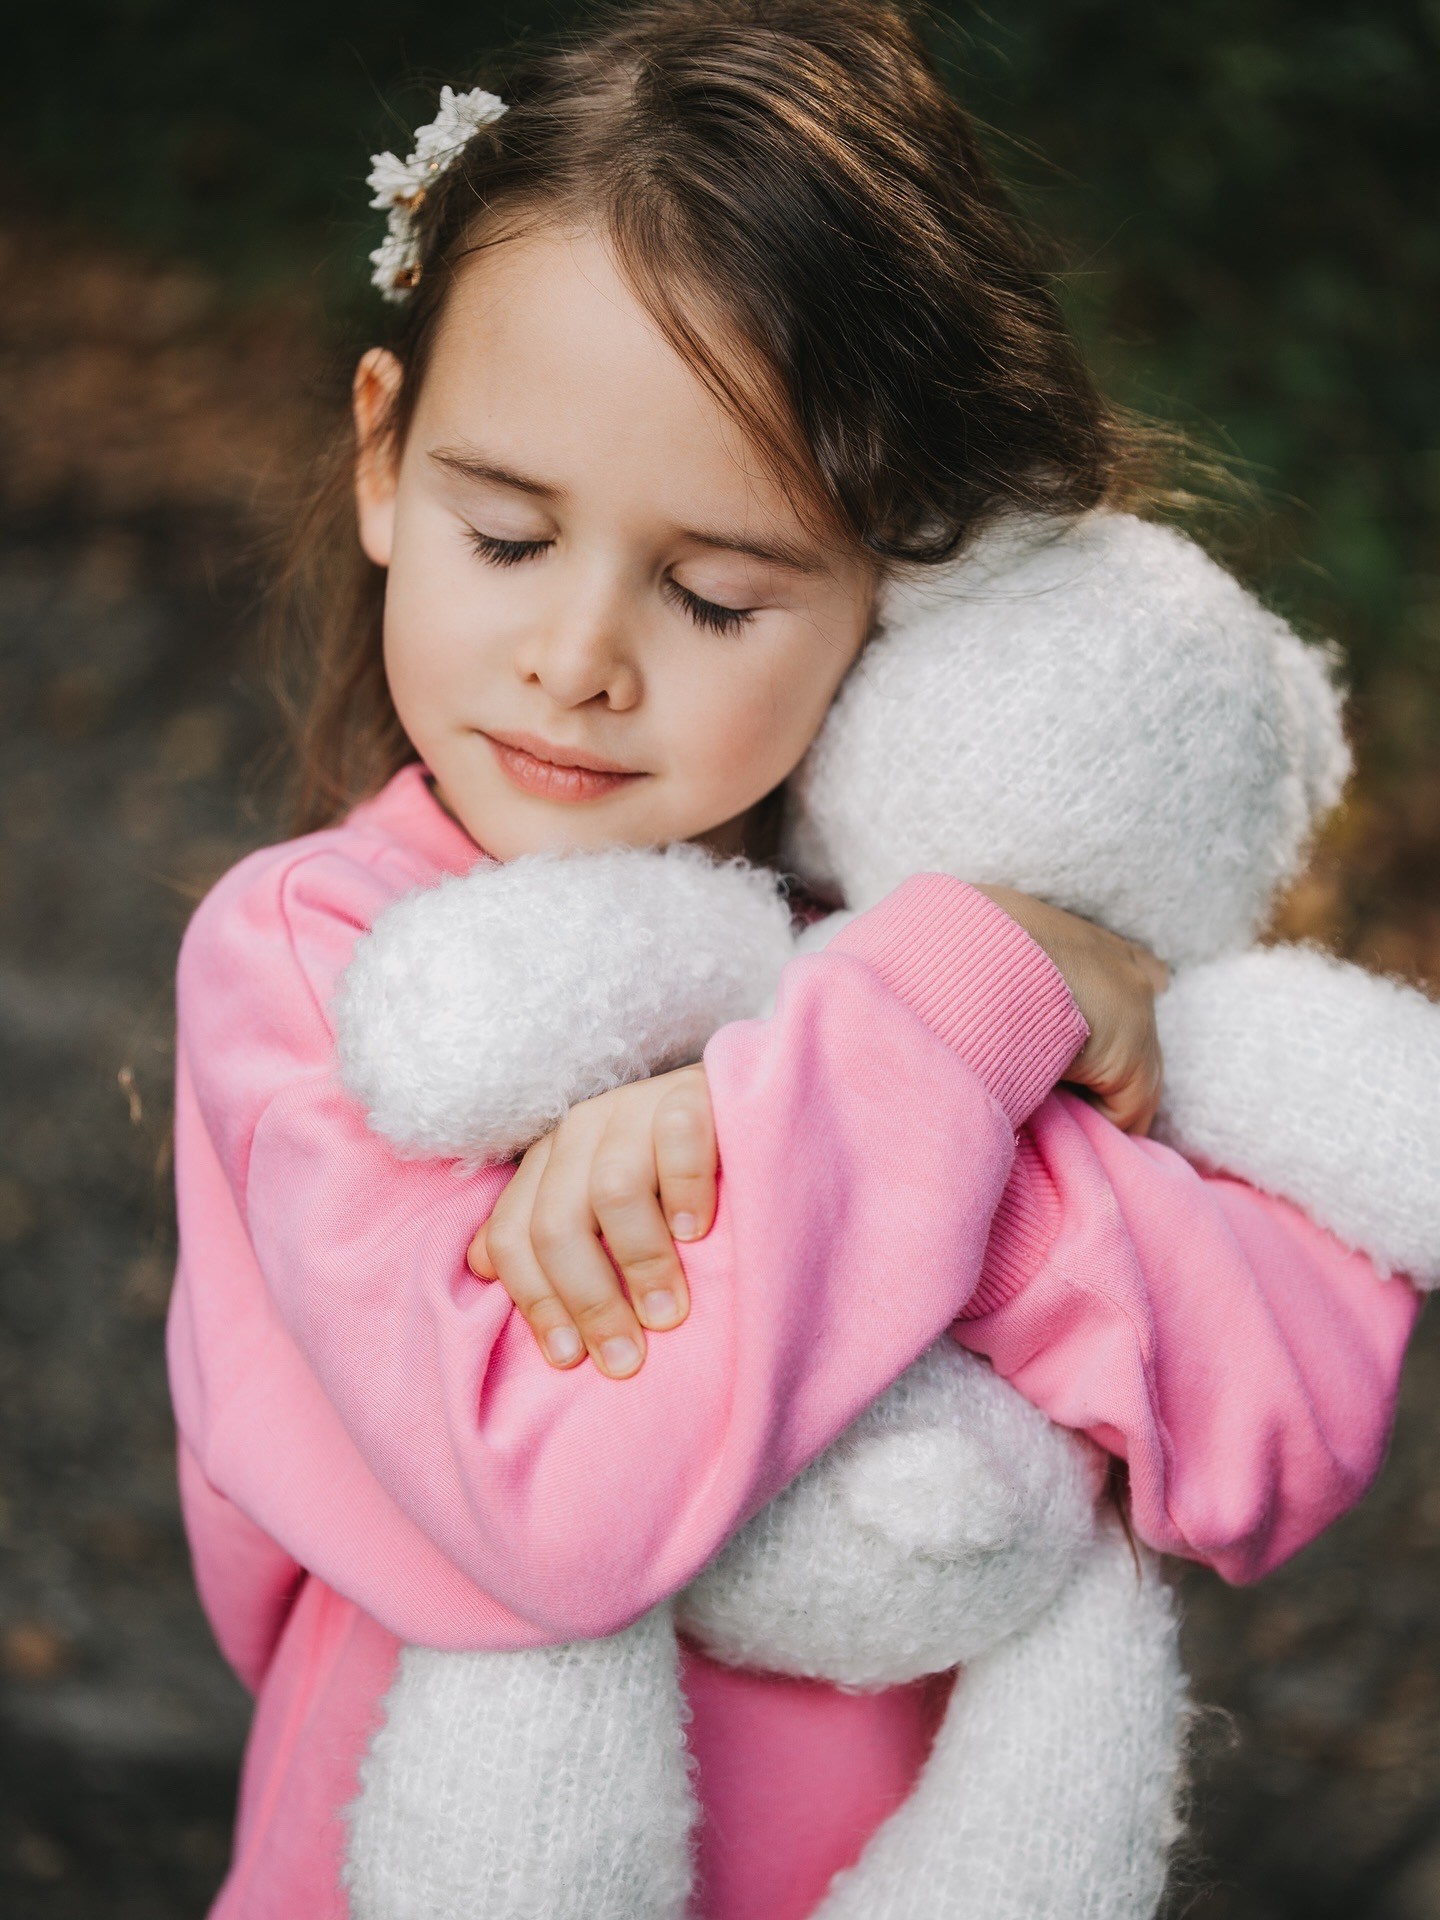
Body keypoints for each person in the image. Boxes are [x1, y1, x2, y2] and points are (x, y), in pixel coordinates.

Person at [167, 5, 1419, 1916]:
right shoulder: (320, 968)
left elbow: (1272, 1436)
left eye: (712, 592)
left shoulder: (983, 952)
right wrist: (929, 1060)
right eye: (506, 536)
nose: (579, 657)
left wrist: (886, 1101)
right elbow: (550, 1504)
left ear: (899, 581)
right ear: (382, 458)